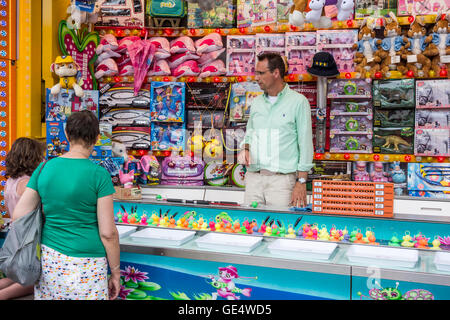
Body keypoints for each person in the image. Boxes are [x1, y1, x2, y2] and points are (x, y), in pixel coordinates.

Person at [12, 110, 120, 300]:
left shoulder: (44, 168)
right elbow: (108, 233)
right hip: (89, 262)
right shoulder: (99, 175)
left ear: (67, 134)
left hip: (50, 260)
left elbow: (19, 215)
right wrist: (116, 272)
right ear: (96, 137)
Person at [238, 52, 314, 208]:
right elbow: (250, 133)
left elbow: (305, 144)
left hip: (281, 182)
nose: (256, 78)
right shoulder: (257, 102)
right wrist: (245, 148)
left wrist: (301, 182)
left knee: (282, 229)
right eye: (256, 73)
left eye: (261, 73)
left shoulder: (298, 102)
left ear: (276, 73)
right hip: (254, 179)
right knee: (250, 227)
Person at [0, 137, 45, 300]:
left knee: (16, 276)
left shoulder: (10, 181)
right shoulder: (27, 183)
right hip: (27, 237)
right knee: (32, 280)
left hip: (14, 235)